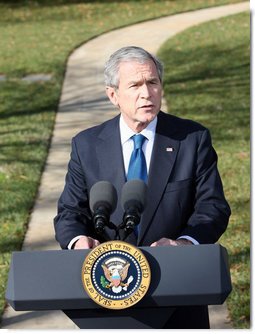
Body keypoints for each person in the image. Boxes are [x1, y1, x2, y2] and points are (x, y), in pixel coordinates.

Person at [54, 46, 231, 328]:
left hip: (176, 290)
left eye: (153, 82)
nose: (146, 93)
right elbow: (70, 212)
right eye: (135, 85)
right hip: (106, 292)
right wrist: (77, 241)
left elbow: (212, 207)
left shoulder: (192, 139)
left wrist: (185, 243)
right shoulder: (86, 145)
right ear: (113, 95)